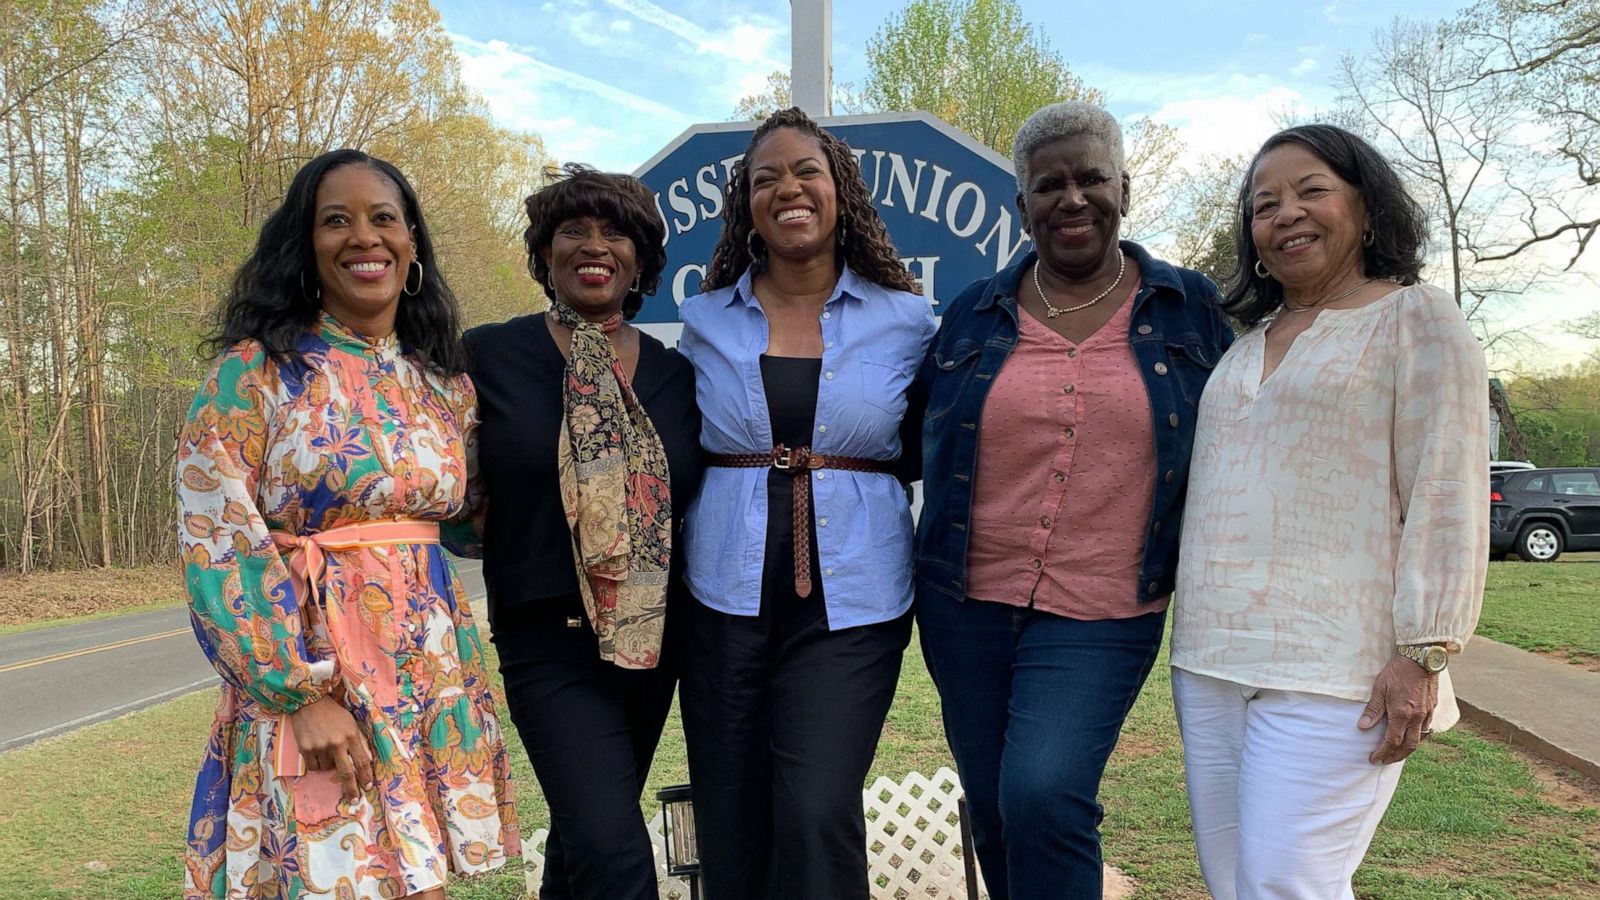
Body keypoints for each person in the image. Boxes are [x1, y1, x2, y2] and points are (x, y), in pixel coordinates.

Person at [913, 100, 1235, 900]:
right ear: (1022, 205)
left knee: (1043, 789)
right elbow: (903, 434)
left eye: (1091, 178)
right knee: (993, 803)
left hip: (1104, 608)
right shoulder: (970, 317)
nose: (1072, 198)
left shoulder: (1190, 308)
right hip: (964, 603)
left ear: (1124, 187)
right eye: (1049, 184)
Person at [178, 149, 519, 900]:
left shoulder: (442, 382)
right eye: (337, 221)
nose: (364, 238)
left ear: (413, 245)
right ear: (304, 248)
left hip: (429, 674)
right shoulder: (254, 373)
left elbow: (469, 524)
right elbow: (219, 543)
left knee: (420, 883)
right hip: (316, 674)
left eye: (384, 219)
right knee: (339, 880)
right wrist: (300, 694)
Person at [1172, 123, 1489, 899]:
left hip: (1339, 671)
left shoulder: (1417, 318)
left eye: (1311, 190)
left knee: (1289, 883)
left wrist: (1426, 651)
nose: (1286, 214)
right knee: (1236, 883)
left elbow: (1447, 494)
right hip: (1210, 660)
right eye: (1264, 204)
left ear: (1368, 206)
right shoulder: (1245, 345)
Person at [677, 107, 936, 899]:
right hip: (723, 600)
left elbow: (934, 444)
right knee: (729, 811)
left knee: (817, 807)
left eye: (806, 172)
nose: (788, 188)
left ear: (839, 190)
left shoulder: (907, 321)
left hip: (853, 606)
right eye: (767, 178)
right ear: (746, 203)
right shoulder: (703, 320)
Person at [462, 163, 703, 900]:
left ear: (641, 260)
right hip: (547, 639)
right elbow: (443, 483)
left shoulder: (673, 374)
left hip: (650, 641)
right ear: (545, 254)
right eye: (573, 230)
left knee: (584, 844)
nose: (594, 246)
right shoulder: (486, 357)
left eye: (615, 232)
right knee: (612, 846)